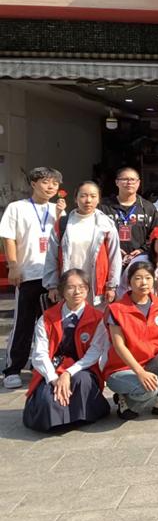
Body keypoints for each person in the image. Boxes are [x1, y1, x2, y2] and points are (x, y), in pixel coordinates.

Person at [0, 166, 65, 389]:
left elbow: (63, 239)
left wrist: (60, 216)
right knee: (23, 323)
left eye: (55, 183)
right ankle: (13, 368)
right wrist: (13, 266)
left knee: (51, 323)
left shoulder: (57, 210)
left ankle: (44, 364)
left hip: (53, 276)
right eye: (46, 182)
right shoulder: (17, 208)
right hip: (28, 274)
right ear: (33, 183)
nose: (51, 187)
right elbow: (8, 238)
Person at [22, 269, 110, 432]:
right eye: (71, 287)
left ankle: (79, 416)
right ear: (62, 290)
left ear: (88, 290)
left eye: (82, 287)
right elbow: (40, 354)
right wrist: (53, 378)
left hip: (83, 367)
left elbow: (94, 352)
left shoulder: (97, 318)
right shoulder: (47, 318)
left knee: (82, 382)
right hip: (53, 367)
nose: (77, 292)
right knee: (48, 396)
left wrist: (68, 373)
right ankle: (58, 418)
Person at [103, 261, 158, 420]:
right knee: (150, 389)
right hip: (121, 369)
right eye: (138, 278)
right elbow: (119, 346)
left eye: (148, 278)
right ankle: (125, 399)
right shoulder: (116, 309)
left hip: (150, 363)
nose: (144, 283)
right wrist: (140, 373)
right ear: (129, 282)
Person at [43, 181, 122, 308]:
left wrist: (112, 286)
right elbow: (51, 256)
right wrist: (52, 285)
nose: (88, 200)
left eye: (93, 196)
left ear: (98, 199)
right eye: (83, 196)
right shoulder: (63, 224)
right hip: (70, 285)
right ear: (76, 199)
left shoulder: (106, 224)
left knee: (96, 318)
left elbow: (114, 256)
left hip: (96, 287)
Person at [100, 166, 158, 266]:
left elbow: (156, 234)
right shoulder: (104, 207)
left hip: (140, 261)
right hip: (109, 258)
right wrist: (111, 248)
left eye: (132, 179)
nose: (129, 182)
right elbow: (96, 233)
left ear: (138, 183)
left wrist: (142, 250)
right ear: (117, 182)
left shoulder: (148, 208)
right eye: (124, 179)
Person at [116, 226, 158, 300]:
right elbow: (135, 287)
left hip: (147, 299)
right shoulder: (141, 261)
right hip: (128, 299)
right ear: (153, 243)